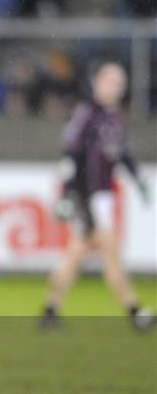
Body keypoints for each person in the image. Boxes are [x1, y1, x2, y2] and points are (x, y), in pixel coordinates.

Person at [41, 60, 155, 330]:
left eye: (120, 84)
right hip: (91, 196)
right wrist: (70, 191)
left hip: (101, 195)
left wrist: (138, 178)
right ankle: (135, 312)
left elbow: (122, 154)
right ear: (99, 82)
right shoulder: (88, 113)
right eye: (112, 82)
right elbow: (71, 152)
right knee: (110, 254)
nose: (117, 88)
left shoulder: (114, 117)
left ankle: (50, 310)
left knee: (76, 254)